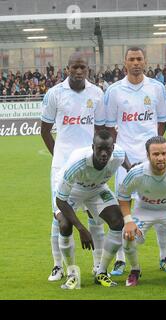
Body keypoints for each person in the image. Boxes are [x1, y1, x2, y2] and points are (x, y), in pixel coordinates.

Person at [104, 47, 166, 276]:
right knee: (124, 209)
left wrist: (154, 150)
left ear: (145, 61)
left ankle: (164, 256)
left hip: (152, 161)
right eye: (131, 59)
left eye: (139, 59)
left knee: (160, 205)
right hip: (125, 161)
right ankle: (122, 259)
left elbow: (162, 122)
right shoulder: (114, 91)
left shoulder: (156, 88)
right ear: (125, 63)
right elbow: (110, 129)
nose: (136, 63)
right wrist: (121, 157)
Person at [40, 52, 106, 282]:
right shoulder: (55, 93)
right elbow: (45, 131)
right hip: (62, 168)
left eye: (83, 68)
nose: (79, 71)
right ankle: (58, 266)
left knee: (95, 216)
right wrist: (60, 157)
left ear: (88, 69)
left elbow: (100, 130)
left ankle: (99, 265)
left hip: (90, 166)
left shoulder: (96, 93)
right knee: (60, 219)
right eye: (75, 67)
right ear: (67, 68)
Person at [55, 130, 131, 289]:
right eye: (99, 149)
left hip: (97, 189)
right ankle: (72, 274)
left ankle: (101, 272)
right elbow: (61, 200)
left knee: (118, 221)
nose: (104, 154)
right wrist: (81, 229)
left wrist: (131, 170)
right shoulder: (77, 164)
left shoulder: (117, 153)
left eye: (107, 149)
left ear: (113, 147)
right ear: (92, 147)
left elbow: (123, 158)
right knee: (64, 225)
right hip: (72, 192)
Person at [118, 136, 166, 287]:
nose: (161, 158)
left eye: (164, 153)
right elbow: (123, 197)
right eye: (156, 154)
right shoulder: (136, 173)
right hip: (144, 209)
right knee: (127, 236)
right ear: (148, 156)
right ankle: (135, 270)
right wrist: (128, 221)